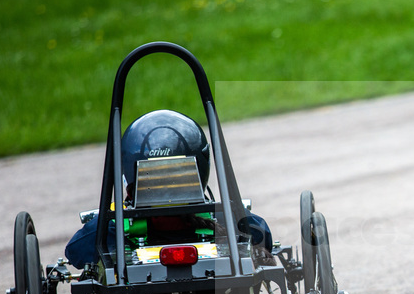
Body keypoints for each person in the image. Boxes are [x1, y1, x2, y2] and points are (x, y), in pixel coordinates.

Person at [65, 109, 271, 268]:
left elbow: (75, 251)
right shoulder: (222, 222)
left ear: (130, 182)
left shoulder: (113, 231)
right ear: (200, 170)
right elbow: (263, 237)